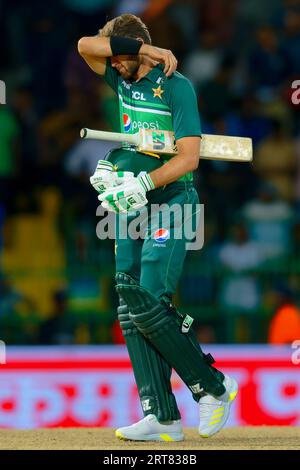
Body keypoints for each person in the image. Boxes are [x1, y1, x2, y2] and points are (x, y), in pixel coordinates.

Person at [78, 13, 238, 442]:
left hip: (171, 201)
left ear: (138, 50)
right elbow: (84, 46)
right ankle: (161, 416)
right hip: (130, 204)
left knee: (149, 299)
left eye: (121, 57)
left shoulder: (178, 87)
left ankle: (214, 389)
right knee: (129, 304)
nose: (112, 65)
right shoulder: (122, 74)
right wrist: (140, 50)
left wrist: (145, 180)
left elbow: (188, 158)